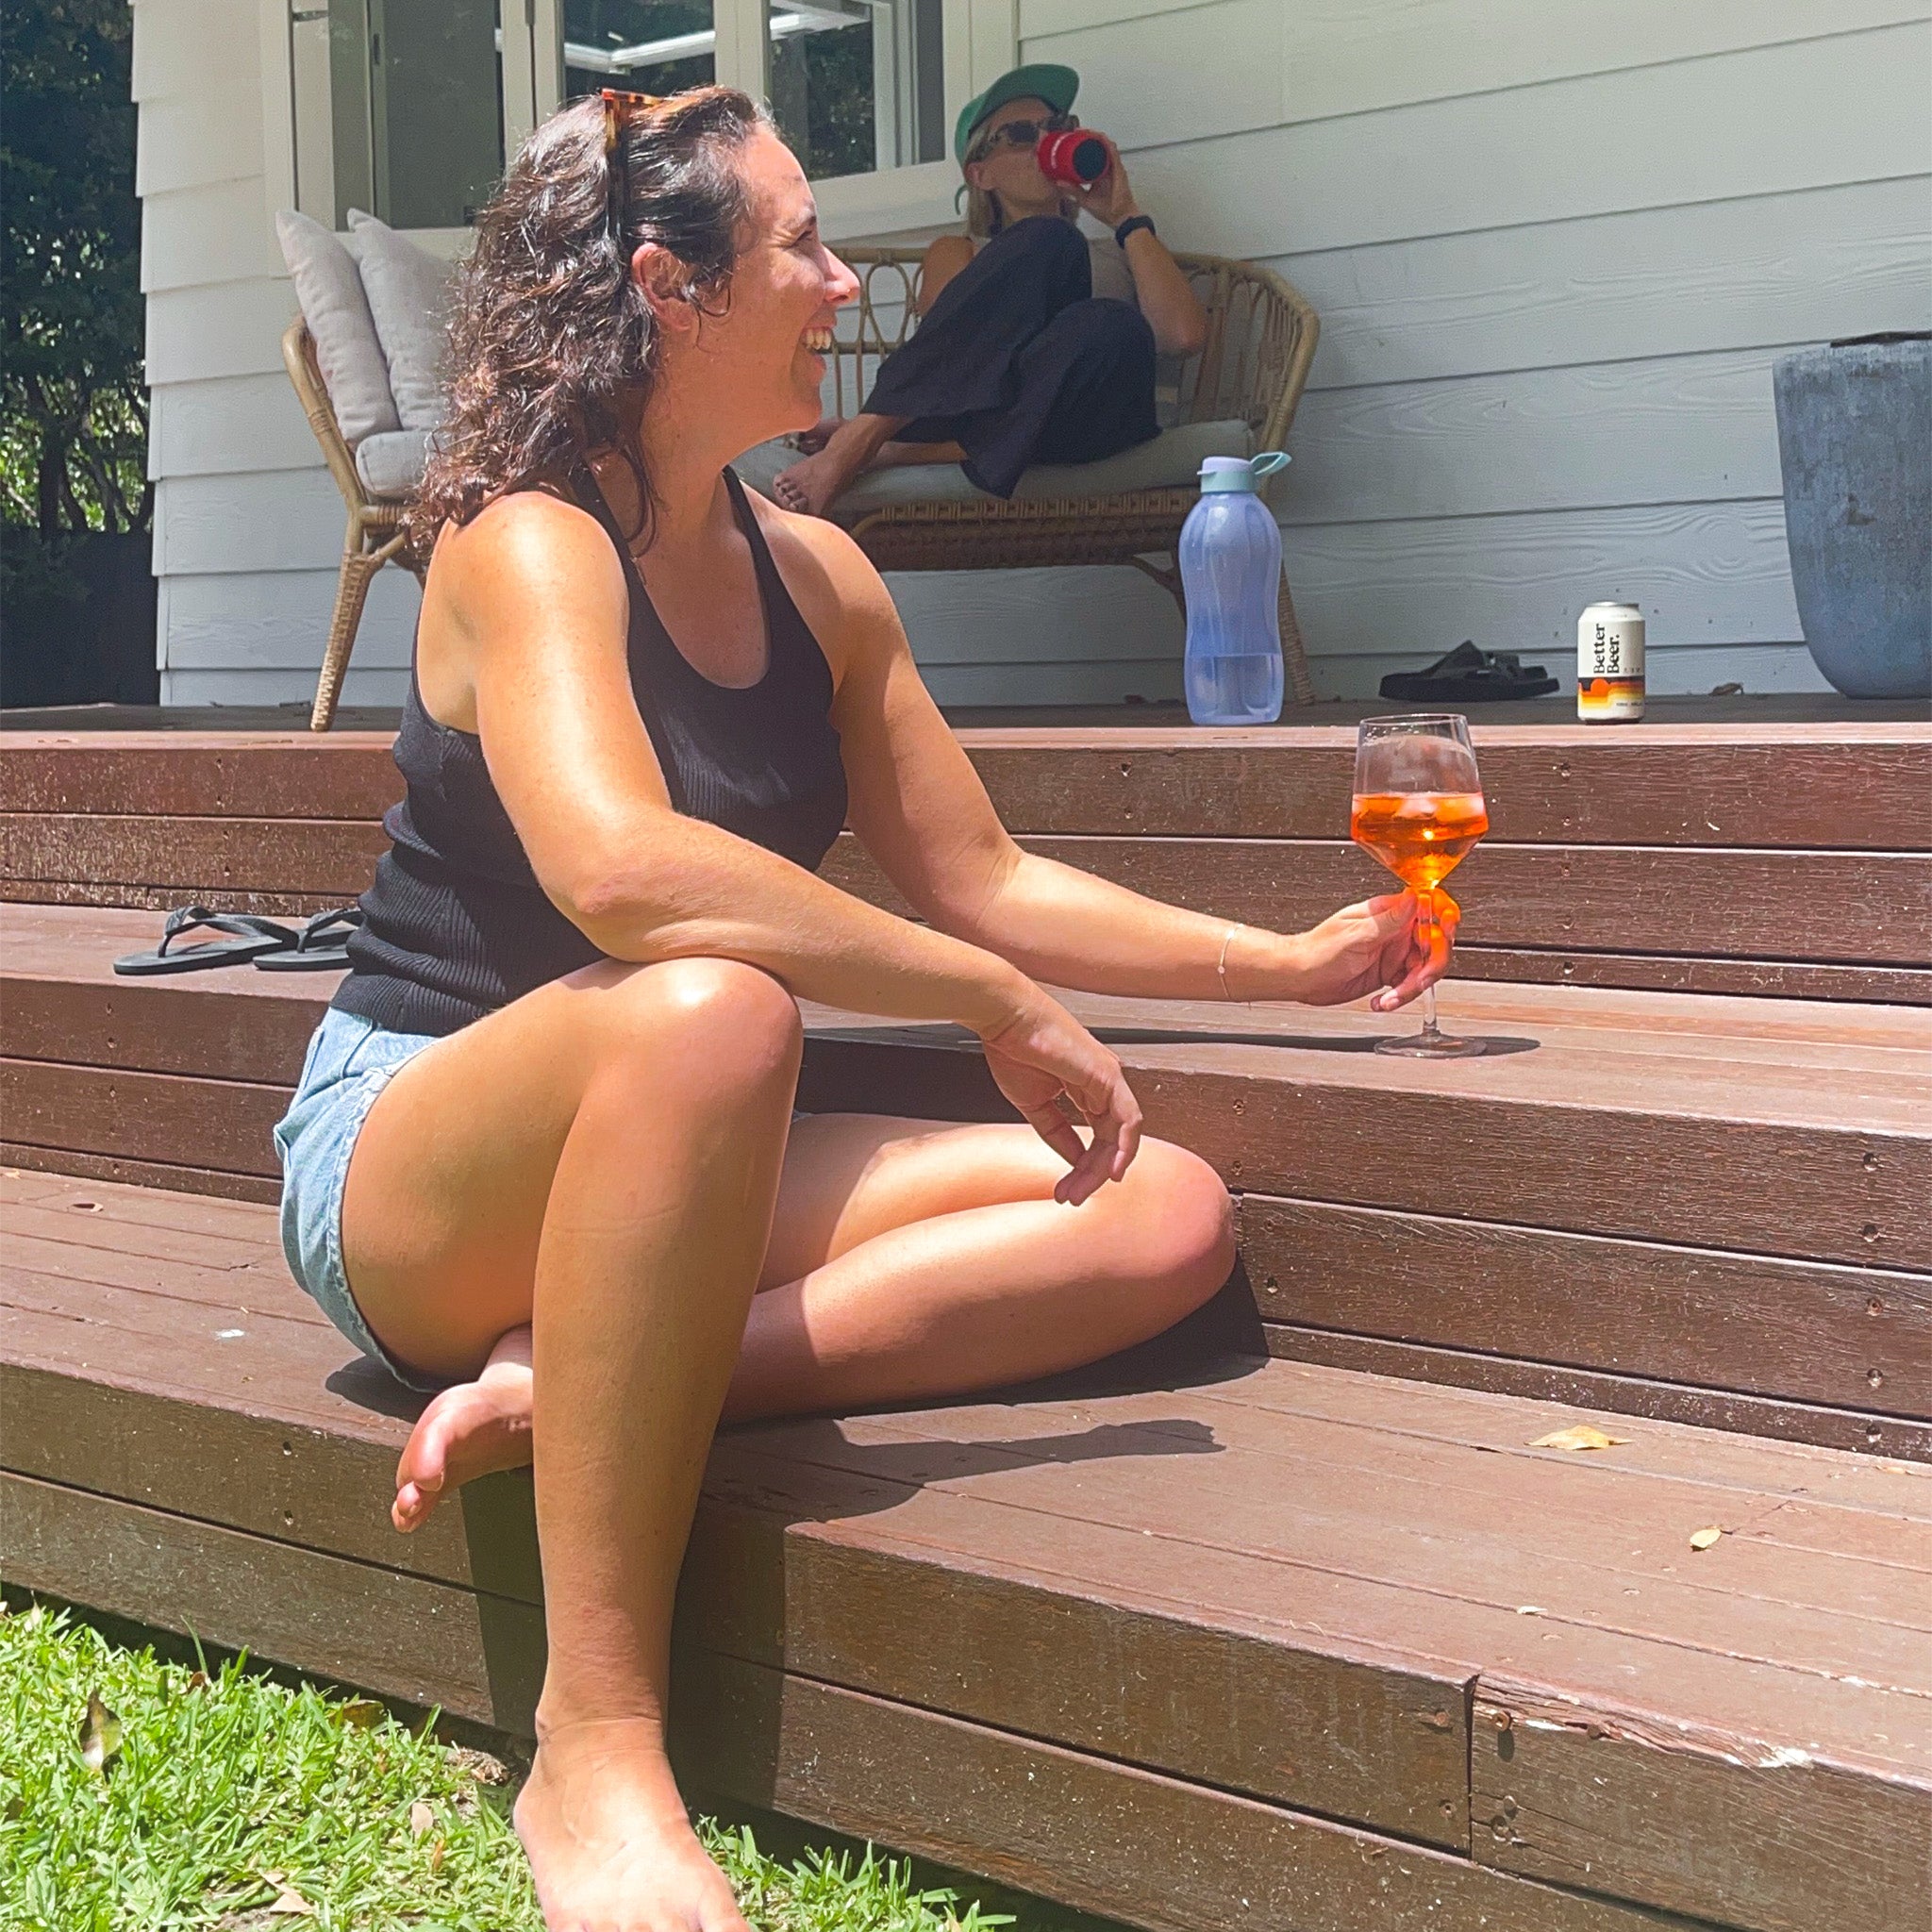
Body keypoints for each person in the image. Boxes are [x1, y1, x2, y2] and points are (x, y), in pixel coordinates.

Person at [271, 84, 1456, 1932]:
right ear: (670, 288)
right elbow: (624, 874)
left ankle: (564, 1381)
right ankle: (591, 1751)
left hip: (679, 1146)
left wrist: (1283, 961)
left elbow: (984, 877)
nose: (845, 281)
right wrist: (985, 996)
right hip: (418, 1146)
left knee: (1163, 1207)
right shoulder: (526, 541)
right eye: (804, 246)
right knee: (712, 1004)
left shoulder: (814, 570)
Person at [770, 62, 1207, 517]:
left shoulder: (1123, 249)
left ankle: (879, 444)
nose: (1043, 142)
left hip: (1097, 417)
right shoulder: (960, 251)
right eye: (1021, 134)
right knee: (1049, 240)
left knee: (1112, 323)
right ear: (981, 175)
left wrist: (1125, 216)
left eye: (1056, 128)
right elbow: (954, 354)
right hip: (994, 418)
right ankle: (869, 438)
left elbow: (1184, 338)